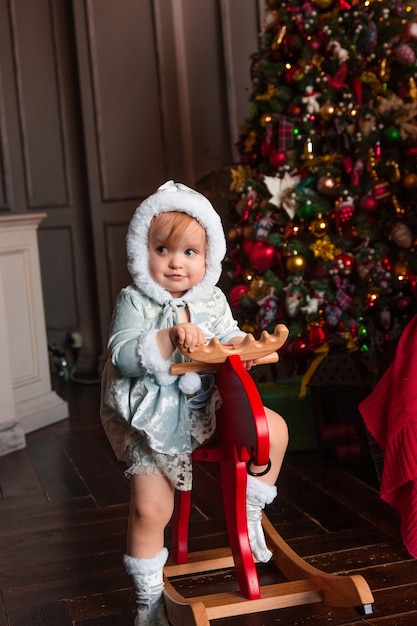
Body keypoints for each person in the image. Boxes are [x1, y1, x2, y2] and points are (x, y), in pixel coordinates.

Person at [100, 180, 289, 626]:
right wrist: (166, 338)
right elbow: (122, 353)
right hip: (153, 416)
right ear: (141, 252)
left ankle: (250, 505)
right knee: (151, 508)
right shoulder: (135, 300)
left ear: (209, 258)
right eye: (163, 249)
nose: (176, 263)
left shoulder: (212, 299)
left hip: (208, 404)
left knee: (274, 430)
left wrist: (246, 342)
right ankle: (148, 600)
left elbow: (227, 337)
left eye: (190, 253)